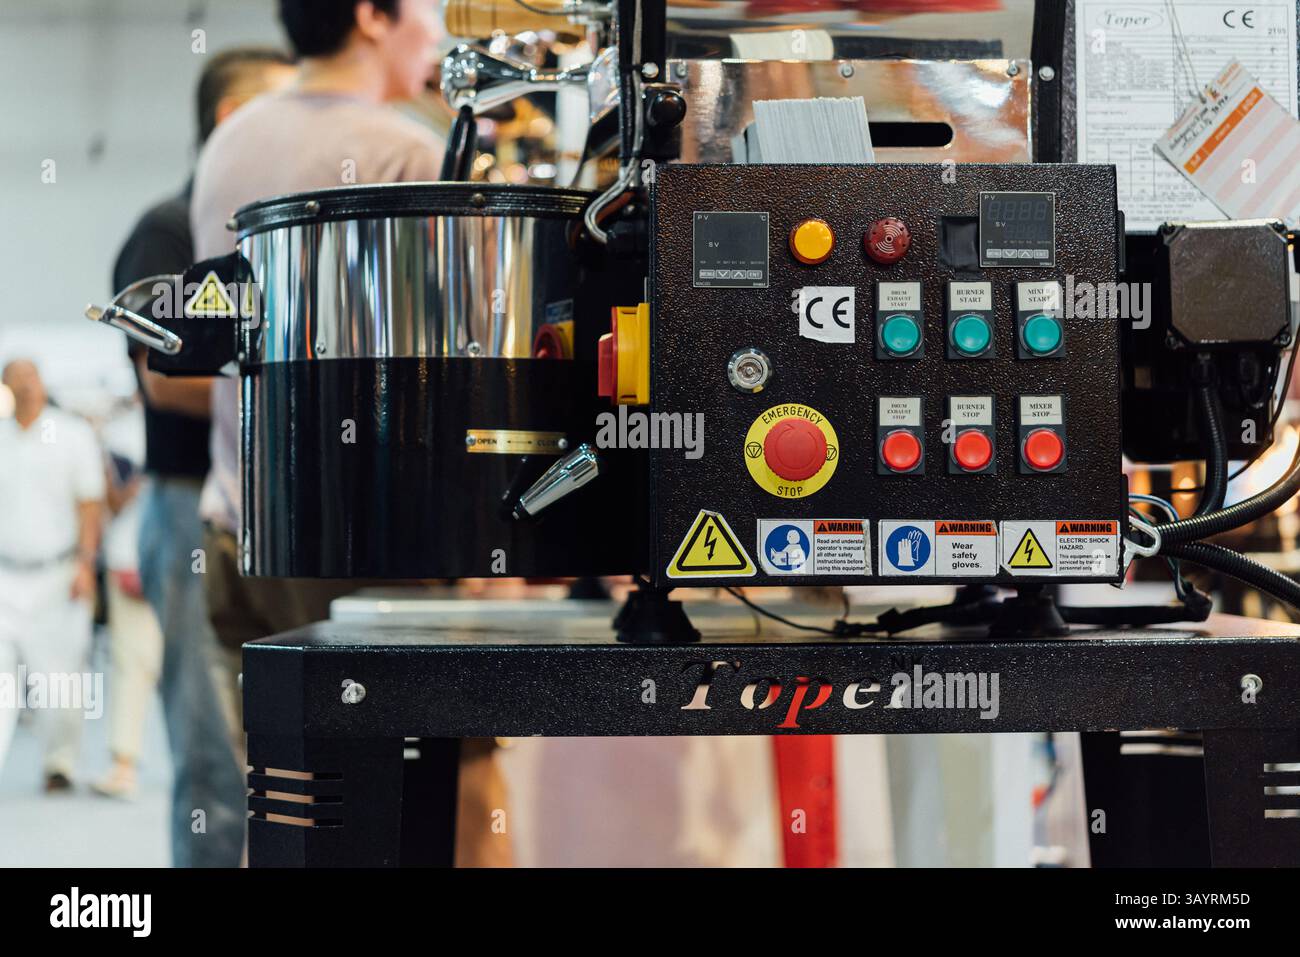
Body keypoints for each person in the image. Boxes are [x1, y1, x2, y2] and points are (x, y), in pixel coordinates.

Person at [193, 0, 507, 867]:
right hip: (371, 545)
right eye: (427, 10)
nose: (440, 33)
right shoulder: (406, 148)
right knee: (461, 794)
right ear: (373, 15)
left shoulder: (231, 142)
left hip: (243, 523)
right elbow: (461, 373)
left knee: (295, 813)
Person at [111, 47, 297, 865]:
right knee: (217, 757)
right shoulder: (170, 229)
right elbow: (164, 379)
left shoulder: (279, 235)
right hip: (189, 507)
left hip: (269, 512)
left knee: (296, 754)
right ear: (233, 120)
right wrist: (296, 386)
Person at [0, 360, 105, 792]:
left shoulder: (70, 434)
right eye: (16, 379)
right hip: (6, 574)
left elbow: (90, 503)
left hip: (58, 573)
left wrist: (85, 562)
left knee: (58, 678)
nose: (26, 387)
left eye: (32, 378)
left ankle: (59, 762)